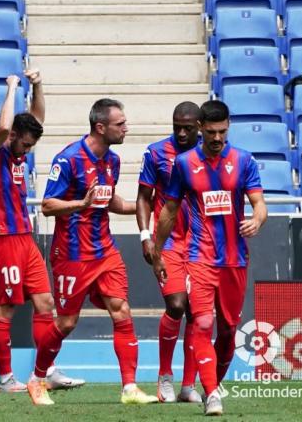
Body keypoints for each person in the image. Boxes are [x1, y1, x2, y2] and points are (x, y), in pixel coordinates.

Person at [30, 98, 158, 406]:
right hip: (72, 255)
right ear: (100, 127)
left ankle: (129, 389)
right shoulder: (69, 159)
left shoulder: (111, 161)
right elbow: (48, 206)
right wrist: (80, 205)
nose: (126, 128)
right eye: (120, 124)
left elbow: (109, 200)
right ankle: (37, 380)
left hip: (105, 251)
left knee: (122, 310)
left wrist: (146, 206)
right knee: (67, 323)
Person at [152, 100, 267, 416]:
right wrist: (157, 251)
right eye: (212, 132)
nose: (217, 138)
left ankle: (210, 383)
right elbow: (169, 210)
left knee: (229, 330)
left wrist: (257, 219)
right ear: (201, 127)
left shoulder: (243, 161)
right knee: (202, 322)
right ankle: (212, 394)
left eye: (223, 132)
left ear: (228, 127)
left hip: (234, 261)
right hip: (198, 257)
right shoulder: (185, 163)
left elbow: (259, 202)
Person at [0, 70, 84, 394]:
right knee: (6, 308)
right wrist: (11, 88)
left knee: (45, 302)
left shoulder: (18, 151)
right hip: (1, 237)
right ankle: (5, 378)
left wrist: (38, 84)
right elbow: (4, 127)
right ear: (12, 137)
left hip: (24, 237)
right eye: (24, 143)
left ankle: (45, 370)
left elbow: (35, 118)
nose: (27, 150)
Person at [135, 102, 203, 403]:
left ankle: (189, 385)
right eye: (177, 126)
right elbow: (143, 197)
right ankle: (164, 376)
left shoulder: (209, 156)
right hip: (170, 243)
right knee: (176, 305)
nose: (182, 132)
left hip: (203, 245)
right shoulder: (156, 152)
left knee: (197, 314)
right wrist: (146, 236)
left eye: (188, 127)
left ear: (200, 126)